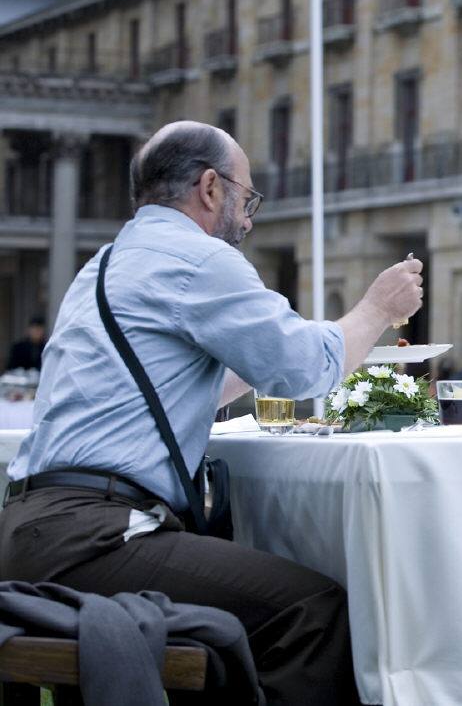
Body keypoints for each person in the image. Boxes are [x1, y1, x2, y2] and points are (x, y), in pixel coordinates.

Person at [0, 121, 425, 705]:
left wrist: (255, 348)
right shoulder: (197, 260)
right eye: (246, 197)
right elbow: (308, 369)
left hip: (28, 526)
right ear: (209, 187)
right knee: (314, 611)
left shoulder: (104, 263)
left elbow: (169, 387)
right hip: (96, 537)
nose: (248, 218)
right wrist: (378, 307)